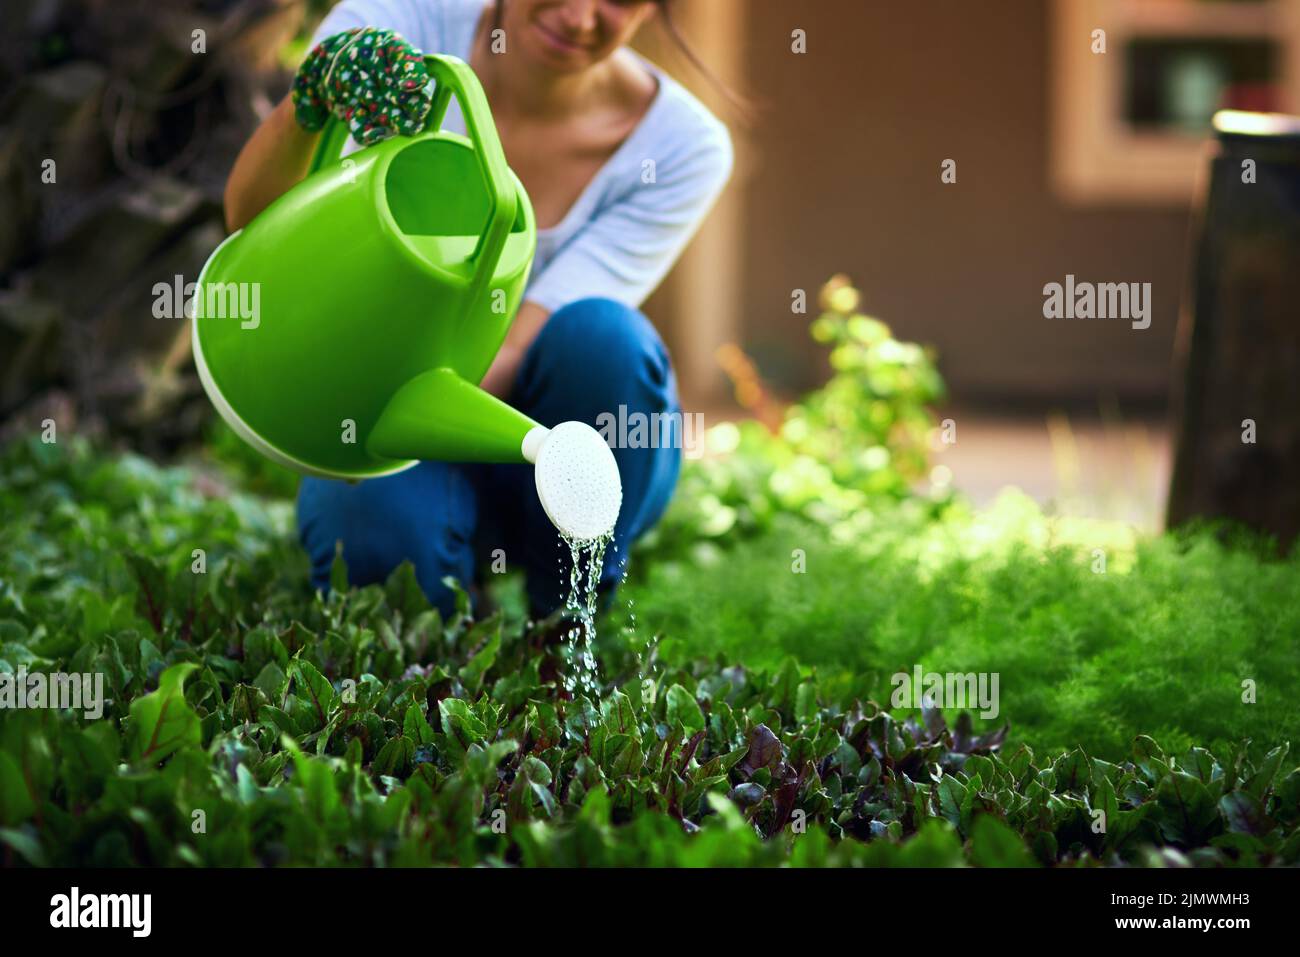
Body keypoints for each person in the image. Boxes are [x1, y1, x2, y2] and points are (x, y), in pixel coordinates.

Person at [223, 0, 734, 618]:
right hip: (389, 424)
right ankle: (441, 590)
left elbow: (518, 342)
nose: (579, 17)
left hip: (545, 434)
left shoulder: (679, 146)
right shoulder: (402, 27)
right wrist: (308, 108)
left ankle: (564, 625)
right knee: (382, 558)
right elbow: (255, 230)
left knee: (608, 339)